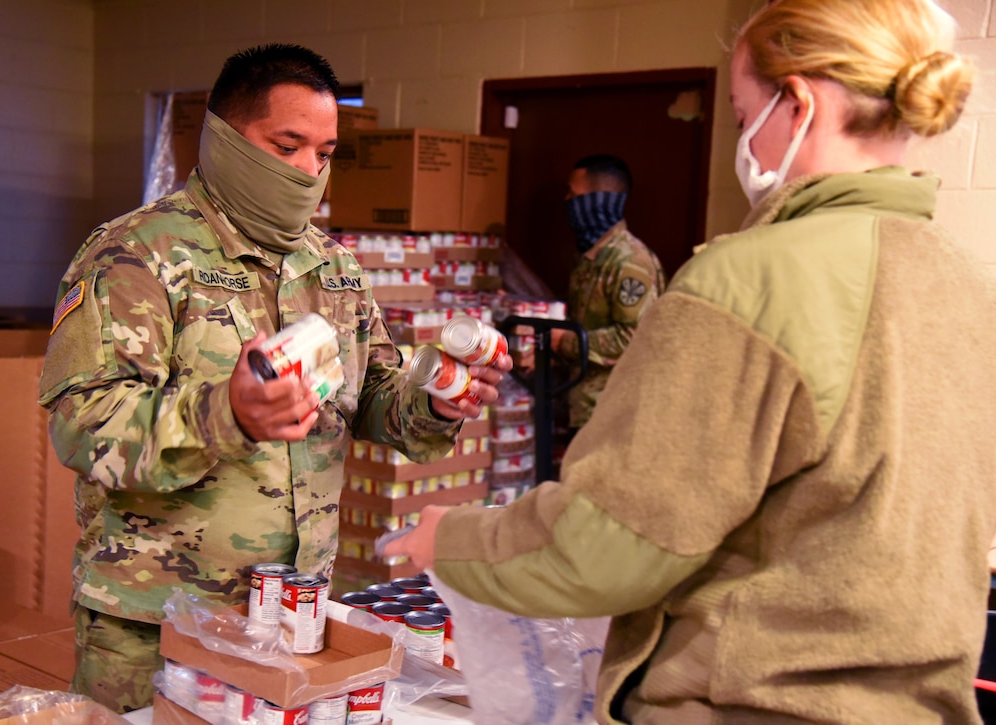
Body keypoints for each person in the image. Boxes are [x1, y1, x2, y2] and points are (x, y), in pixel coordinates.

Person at [387, 1, 996, 722]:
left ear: (796, 103)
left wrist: (451, 537)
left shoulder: (751, 278)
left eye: (742, 118)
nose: (744, 143)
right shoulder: (963, 279)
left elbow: (610, 544)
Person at [38, 43, 509, 713]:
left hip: (291, 614)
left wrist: (437, 395)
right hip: (157, 621)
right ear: (228, 138)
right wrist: (225, 414)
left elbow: (375, 395)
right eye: (286, 146)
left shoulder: (331, 265)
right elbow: (83, 425)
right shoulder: (136, 254)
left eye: (323, 154)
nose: (306, 171)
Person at [552, 154, 666, 429]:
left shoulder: (629, 262)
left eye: (574, 194)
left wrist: (564, 342)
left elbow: (634, 338)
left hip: (613, 415)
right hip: (581, 407)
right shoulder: (589, 257)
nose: (567, 201)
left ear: (599, 200)